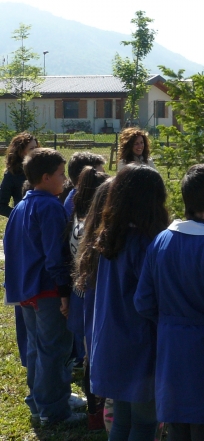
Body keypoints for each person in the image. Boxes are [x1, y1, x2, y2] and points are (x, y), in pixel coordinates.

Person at [133, 164, 204, 441]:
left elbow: (143, 301)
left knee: (178, 432)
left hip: (171, 357)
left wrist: (171, 324)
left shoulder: (161, 240)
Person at [2, 147, 87, 426]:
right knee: (54, 349)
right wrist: (64, 293)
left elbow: (10, 247)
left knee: (37, 348)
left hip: (26, 290)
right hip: (48, 290)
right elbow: (56, 256)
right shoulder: (50, 206)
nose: (65, 181)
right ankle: (53, 410)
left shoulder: (23, 204)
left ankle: (42, 401)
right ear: (46, 177)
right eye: (62, 175)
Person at [90, 165, 169, 441]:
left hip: (111, 343)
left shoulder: (110, 236)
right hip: (139, 346)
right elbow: (151, 300)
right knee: (146, 424)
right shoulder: (147, 243)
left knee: (122, 420)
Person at [73, 177, 114, 431]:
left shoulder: (90, 233)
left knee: (92, 359)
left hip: (93, 314)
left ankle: (96, 416)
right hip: (106, 315)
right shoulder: (109, 239)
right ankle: (102, 415)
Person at [0, 132, 38, 369]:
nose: (34, 151)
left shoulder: (41, 169)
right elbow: (0, 203)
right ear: (19, 150)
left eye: (36, 147)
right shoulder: (12, 175)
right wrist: (17, 213)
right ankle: (27, 354)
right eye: (30, 148)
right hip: (21, 232)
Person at [63, 152, 106, 218]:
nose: (104, 178)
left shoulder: (77, 196)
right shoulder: (75, 203)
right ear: (85, 176)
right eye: (100, 175)